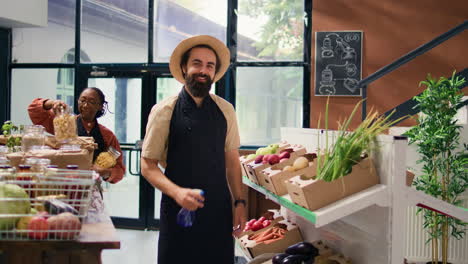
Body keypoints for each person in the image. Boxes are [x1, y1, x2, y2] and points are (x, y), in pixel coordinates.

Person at [141, 35, 247, 264]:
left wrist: (240, 202)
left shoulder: (225, 110)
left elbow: (232, 161)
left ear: (214, 72)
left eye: (209, 65)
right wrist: (177, 192)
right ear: (184, 67)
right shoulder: (164, 111)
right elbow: (147, 166)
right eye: (197, 63)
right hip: (178, 211)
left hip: (218, 211)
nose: (203, 70)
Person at [28, 87, 125, 184]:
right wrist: (52, 103)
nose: (85, 105)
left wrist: (103, 172)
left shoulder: (107, 135)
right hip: (61, 181)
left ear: (100, 106)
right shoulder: (64, 123)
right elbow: (33, 110)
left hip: (90, 186)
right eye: (82, 101)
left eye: (91, 102)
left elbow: (119, 170)